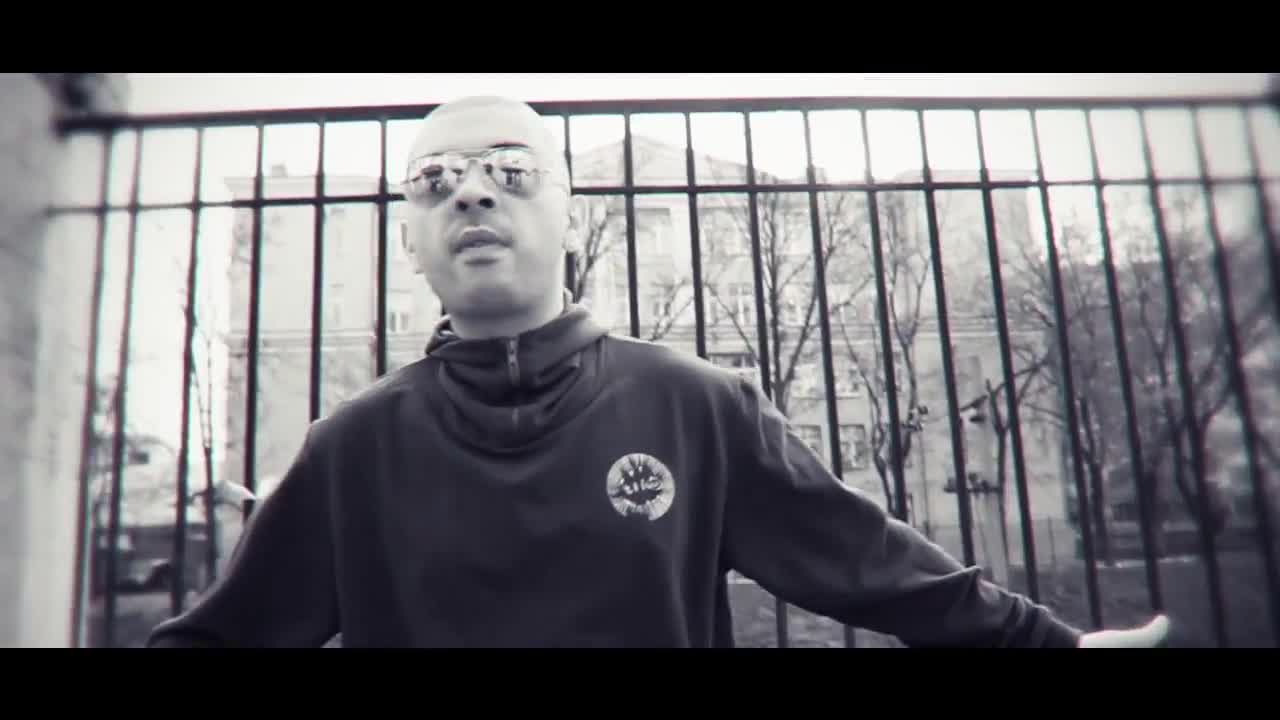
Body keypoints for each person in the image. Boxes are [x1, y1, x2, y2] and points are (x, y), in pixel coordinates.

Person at [147, 95, 1169, 649]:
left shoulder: (694, 406)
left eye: (510, 171)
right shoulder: (352, 449)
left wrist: (1052, 649)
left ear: (573, 219)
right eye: (434, 180)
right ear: (409, 241)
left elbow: (874, 566)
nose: (471, 194)